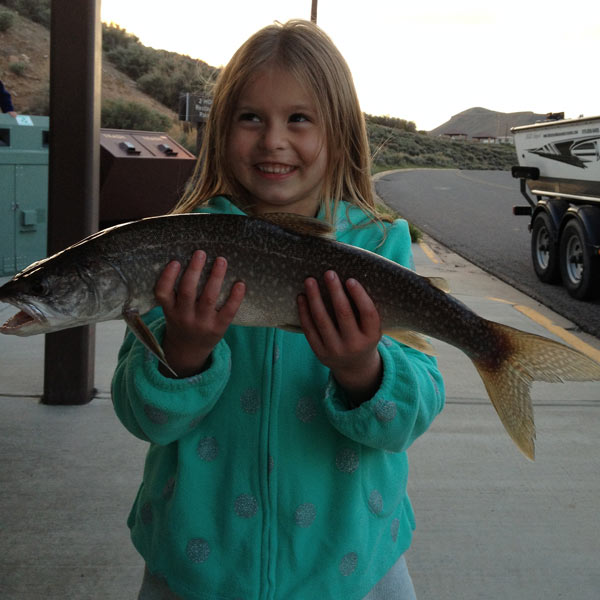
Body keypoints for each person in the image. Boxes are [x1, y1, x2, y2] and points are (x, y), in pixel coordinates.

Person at [112, 19, 444, 600]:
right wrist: (183, 354)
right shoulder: (181, 249)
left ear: (338, 132)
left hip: (353, 563)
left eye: (298, 118)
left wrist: (364, 370)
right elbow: (145, 418)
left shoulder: (378, 243)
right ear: (220, 129)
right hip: (195, 569)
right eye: (250, 118)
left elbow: (410, 417)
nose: (272, 140)